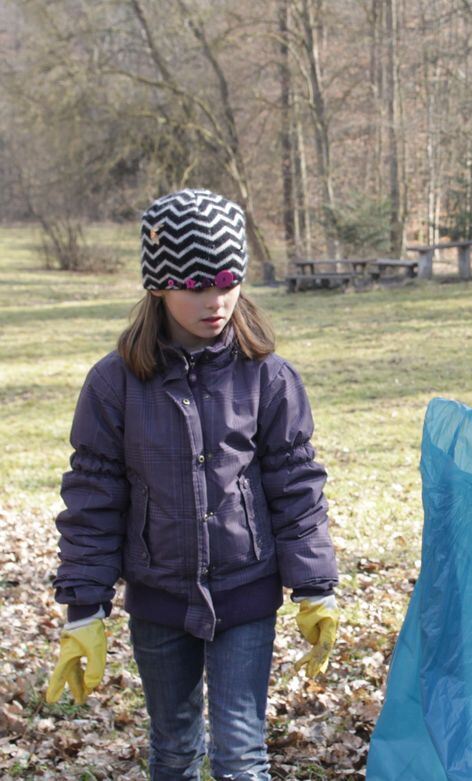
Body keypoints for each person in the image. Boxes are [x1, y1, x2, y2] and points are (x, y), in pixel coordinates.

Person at [45, 188, 340, 780]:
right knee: (175, 752)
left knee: (240, 755)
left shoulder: (269, 377)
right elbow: (94, 499)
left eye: (228, 281)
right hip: (159, 598)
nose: (216, 300)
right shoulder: (113, 384)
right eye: (196, 284)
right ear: (159, 285)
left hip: (246, 591)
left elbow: (295, 483)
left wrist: (314, 584)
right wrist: (83, 607)